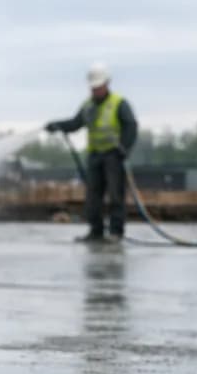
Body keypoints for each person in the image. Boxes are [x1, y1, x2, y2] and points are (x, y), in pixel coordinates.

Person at [46, 63, 139, 242]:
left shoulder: (118, 103)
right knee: (93, 196)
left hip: (114, 155)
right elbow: (75, 124)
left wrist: (124, 149)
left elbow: (131, 126)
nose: (95, 91)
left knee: (115, 195)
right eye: (93, 88)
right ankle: (96, 231)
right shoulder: (88, 106)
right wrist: (57, 125)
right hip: (95, 156)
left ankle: (115, 232)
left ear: (107, 84)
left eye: (98, 87)